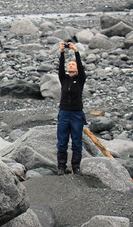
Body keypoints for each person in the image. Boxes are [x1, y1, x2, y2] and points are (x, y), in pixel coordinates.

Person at [57, 41, 87, 175]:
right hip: (64, 113)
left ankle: (76, 167)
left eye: (72, 64)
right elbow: (60, 68)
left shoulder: (80, 79)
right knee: (62, 140)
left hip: (76, 114)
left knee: (76, 141)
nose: (70, 65)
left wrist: (76, 51)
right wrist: (62, 52)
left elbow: (81, 68)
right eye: (69, 64)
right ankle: (61, 167)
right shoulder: (63, 79)